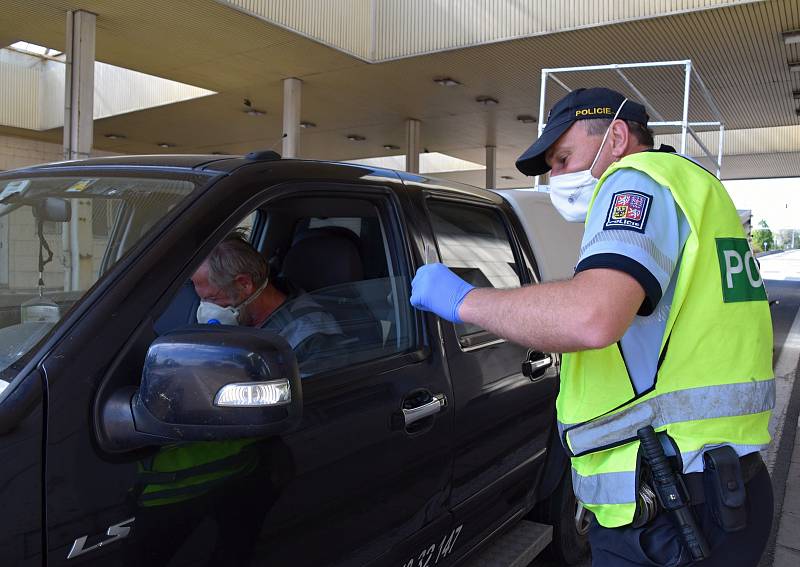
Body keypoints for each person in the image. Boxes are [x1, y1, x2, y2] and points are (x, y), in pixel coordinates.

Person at [410, 87, 774, 566]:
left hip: (672, 508)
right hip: (714, 487)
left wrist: (463, 299)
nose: (556, 177)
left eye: (563, 158)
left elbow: (591, 316)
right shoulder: (695, 187)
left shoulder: (635, 181)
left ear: (617, 136)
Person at [191, 231, 345, 365]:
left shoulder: (310, 337)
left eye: (212, 299)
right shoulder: (244, 319)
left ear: (244, 284)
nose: (206, 308)